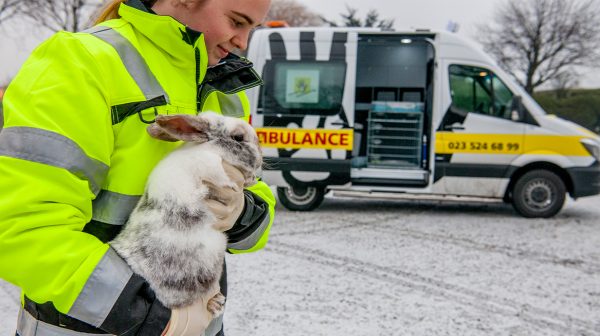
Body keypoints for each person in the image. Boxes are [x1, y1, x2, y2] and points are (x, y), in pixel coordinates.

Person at [0, 0, 274, 335]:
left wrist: (241, 210)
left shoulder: (226, 88)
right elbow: (23, 226)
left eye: (252, 29)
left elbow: (257, 205)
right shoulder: (82, 61)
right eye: (236, 21)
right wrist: (151, 317)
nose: (242, 42)